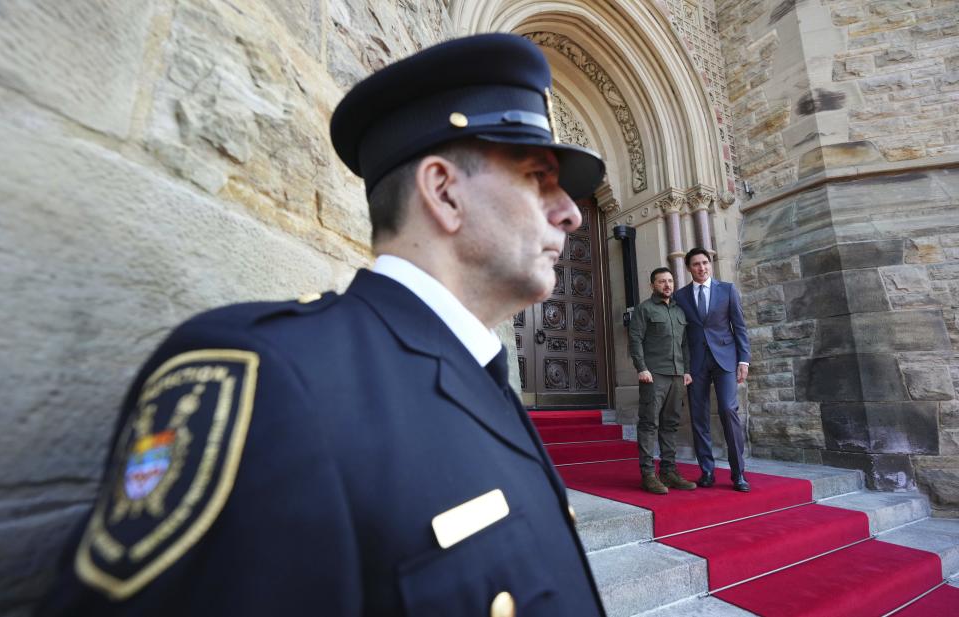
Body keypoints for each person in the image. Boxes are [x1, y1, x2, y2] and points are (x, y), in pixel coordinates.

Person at [39, 33, 608, 617]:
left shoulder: (487, 385)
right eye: (539, 177)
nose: (568, 212)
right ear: (443, 191)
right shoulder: (270, 379)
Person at [674, 248, 751, 492]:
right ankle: (706, 471)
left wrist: (744, 360)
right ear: (689, 268)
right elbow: (681, 336)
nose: (702, 267)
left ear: (711, 264)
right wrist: (683, 367)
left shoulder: (727, 290)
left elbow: (739, 326)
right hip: (696, 363)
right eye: (696, 264)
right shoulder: (681, 296)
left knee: (729, 410)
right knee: (699, 416)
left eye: (705, 263)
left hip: (725, 359)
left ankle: (738, 473)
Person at [628, 267, 696, 495]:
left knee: (671, 424)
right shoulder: (644, 309)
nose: (667, 285)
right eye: (661, 282)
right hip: (654, 375)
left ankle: (669, 472)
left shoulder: (679, 312)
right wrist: (642, 368)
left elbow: (685, 344)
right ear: (652, 285)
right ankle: (648, 475)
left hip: (677, 375)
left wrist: (686, 370)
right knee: (649, 424)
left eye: (669, 281)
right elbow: (635, 340)